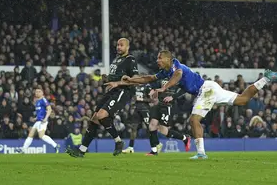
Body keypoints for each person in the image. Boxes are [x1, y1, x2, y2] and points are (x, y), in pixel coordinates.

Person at [106, 50, 277, 160]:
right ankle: (266, 78)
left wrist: (165, 87)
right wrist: (129, 81)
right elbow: (147, 78)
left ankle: (201, 153)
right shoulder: (165, 71)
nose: (157, 60)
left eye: (160, 58)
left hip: (206, 90)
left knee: (194, 120)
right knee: (242, 99)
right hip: (210, 88)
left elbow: (178, 76)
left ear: (168, 59)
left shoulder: (176, 66)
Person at [66, 38, 139, 158]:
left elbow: (135, 79)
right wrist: (108, 78)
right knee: (94, 118)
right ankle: (82, 150)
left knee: (101, 115)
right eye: (117, 45)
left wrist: (119, 83)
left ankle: (118, 141)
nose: (118, 47)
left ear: (127, 47)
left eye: (121, 45)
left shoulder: (130, 59)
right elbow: (116, 76)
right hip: (112, 90)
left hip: (123, 91)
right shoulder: (116, 60)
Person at [123, 81, 191, 155]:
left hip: (168, 105)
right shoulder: (162, 75)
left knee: (163, 130)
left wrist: (173, 97)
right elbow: (154, 86)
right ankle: (154, 151)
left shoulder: (176, 76)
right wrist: (153, 91)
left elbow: (185, 88)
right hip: (159, 104)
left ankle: (185, 138)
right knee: (151, 126)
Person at [18, 87, 59, 153]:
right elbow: (41, 112)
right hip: (38, 121)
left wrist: (46, 118)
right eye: (36, 91)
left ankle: (55, 145)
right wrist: (36, 118)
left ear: (42, 93)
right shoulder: (37, 101)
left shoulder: (43, 100)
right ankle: (23, 149)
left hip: (42, 121)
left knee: (41, 136)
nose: (37, 93)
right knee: (30, 135)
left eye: (39, 91)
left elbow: (49, 109)